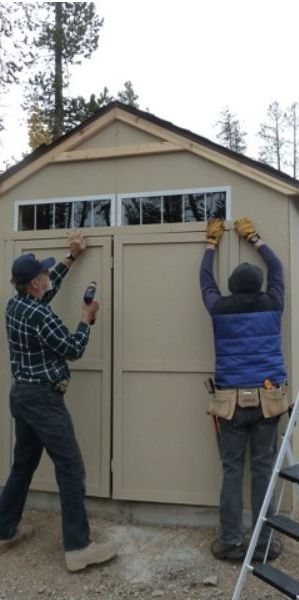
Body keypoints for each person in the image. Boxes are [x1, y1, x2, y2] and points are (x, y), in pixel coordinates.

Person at [0, 231, 117, 571]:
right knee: (71, 468)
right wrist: (86, 317)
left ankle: (4, 530)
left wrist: (71, 256)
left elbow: (47, 296)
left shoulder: (16, 305)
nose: (49, 277)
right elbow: (74, 349)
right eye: (44, 275)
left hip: (21, 396)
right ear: (35, 283)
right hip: (43, 401)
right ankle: (79, 547)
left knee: (23, 465)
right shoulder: (40, 315)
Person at [200, 217, 288, 562]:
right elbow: (277, 267)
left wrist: (211, 245)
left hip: (230, 404)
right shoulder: (273, 303)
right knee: (263, 470)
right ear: (260, 285)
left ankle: (231, 542)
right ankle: (264, 544)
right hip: (269, 401)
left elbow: (205, 281)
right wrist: (255, 238)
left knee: (232, 470)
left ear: (233, 288)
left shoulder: (219, 307)